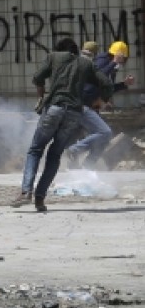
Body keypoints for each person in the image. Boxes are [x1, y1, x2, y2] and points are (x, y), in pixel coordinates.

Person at [12, 37, 113, 212]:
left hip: (54, 109)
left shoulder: (53, 57)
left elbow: (37, 77)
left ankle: (26, 191)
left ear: (60, 50)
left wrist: (41, 93)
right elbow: (106, 83)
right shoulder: (86, 64)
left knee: (36, 150)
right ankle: (40, 198)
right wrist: (101, 101)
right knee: (55, 155)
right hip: (74, 113)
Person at [67, 40, 135, 169]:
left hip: (89, 106)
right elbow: (98, 77)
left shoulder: (111, 66)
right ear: (120, 55)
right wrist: (114, 62)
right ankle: (74, 150)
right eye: (123, 58)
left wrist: (124, 84)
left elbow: (106, 86)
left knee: (101, 139)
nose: (123, 61)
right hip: (82, 105)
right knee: (105, 133)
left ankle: (86, 167)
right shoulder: (102, 61)